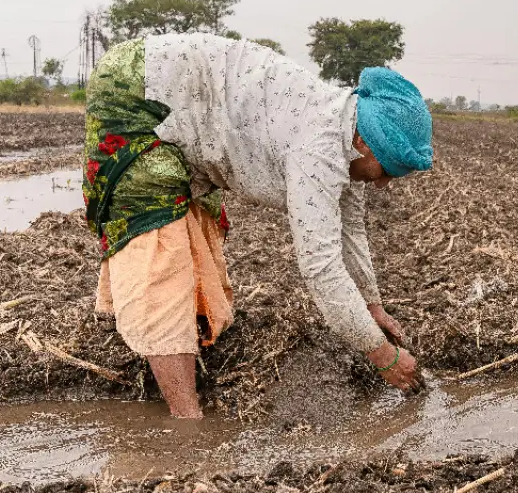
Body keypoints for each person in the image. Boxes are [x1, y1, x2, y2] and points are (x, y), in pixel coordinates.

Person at [81, 33, 431, 418]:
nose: (382, 183)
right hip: (141, 92)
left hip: (181, 95)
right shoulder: (318, 148)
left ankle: (174, 350)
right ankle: (187, 425)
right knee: (159, 236)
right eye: (386, 171)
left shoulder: (346, 132)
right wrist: (382, 356)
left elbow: (351, 230)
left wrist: (371, 305)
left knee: (194, 229)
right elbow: (322, 268)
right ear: (366, 142)